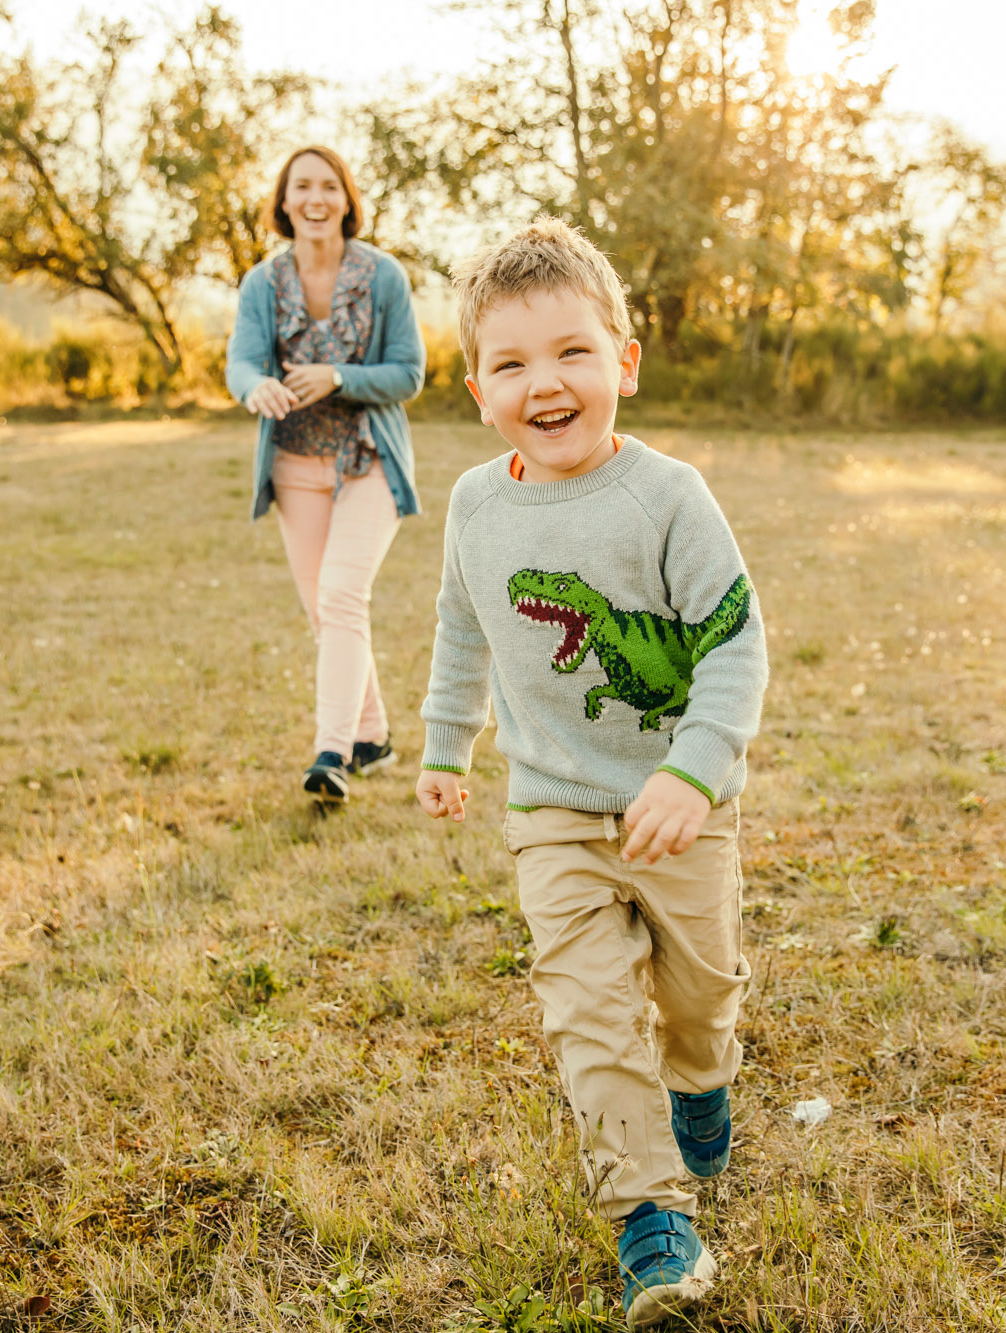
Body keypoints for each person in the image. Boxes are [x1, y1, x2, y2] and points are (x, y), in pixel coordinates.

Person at [414, 219, 768, 1327]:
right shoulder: (476, 505)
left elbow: (733, 642)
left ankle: (701, 1083)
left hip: (678, 812)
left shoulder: (666, 497)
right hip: (553, 811)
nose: (545, 382)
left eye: (571, 352)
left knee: (698, 994)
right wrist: (442, 740)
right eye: (511, 363)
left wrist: (694, 770)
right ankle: (649, 1217)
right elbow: (462, 626)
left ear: (622, 360)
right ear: (477, 389)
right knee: (587, 1012)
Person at [226, 147, 426, 803]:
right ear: (283, 202)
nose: (315, 198)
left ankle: (331, 755)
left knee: (341, 594)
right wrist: (257, 388)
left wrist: (339, 376)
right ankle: (372, 736)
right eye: (300, 186)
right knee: (325, 610)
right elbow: (242, 365)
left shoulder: (383, 276)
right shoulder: (263, 283)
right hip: (293, 464)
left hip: (368, 460)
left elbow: (408, 373)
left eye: (327, 186)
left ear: (346, 198)